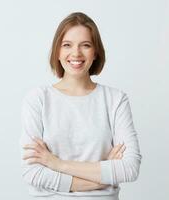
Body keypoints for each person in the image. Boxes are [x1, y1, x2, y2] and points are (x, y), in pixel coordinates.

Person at [20, 12, 142, 200]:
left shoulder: (115, 100)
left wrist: (56, 163)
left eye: (85, 45)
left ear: (95, 53)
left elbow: (130, 168)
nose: (76, 53)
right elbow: (33, 172)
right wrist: (102, 177)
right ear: (57, 52)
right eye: (67, 45)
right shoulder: (38, 99)